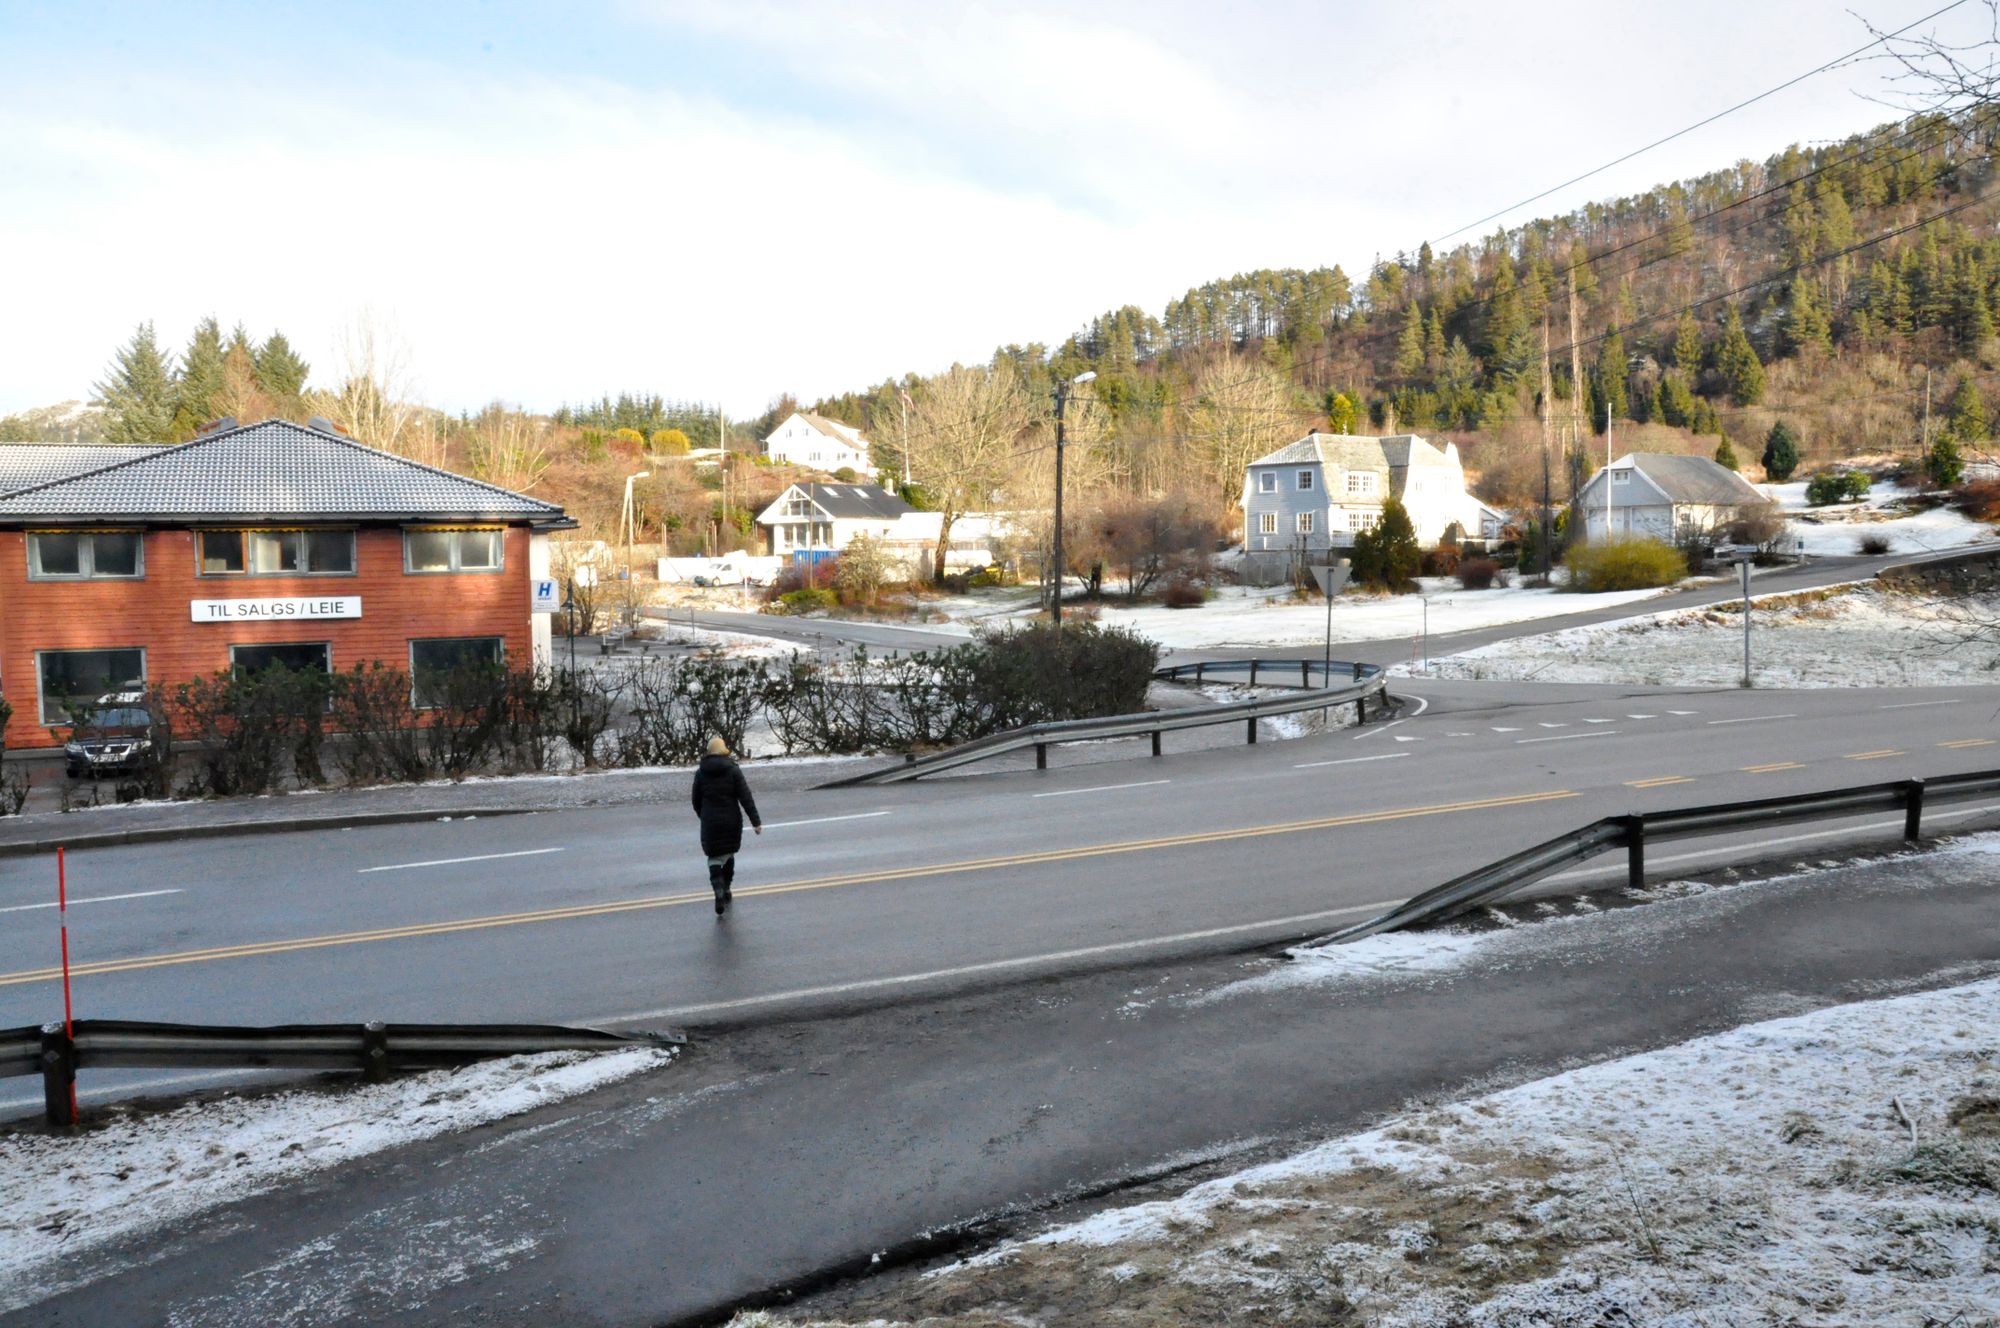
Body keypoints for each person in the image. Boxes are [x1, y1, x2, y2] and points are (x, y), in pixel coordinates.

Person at [691, 736, 761, 916]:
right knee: (728, 854)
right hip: (731, 820)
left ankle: (718, 889)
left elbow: (695, 800)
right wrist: (756, 822)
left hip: (710, 821)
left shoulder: (700, 773)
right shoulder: (733, 770)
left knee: (714, 857)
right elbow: (746, 797)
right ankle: (727, 888)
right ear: (724, 751)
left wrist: (704, 816)